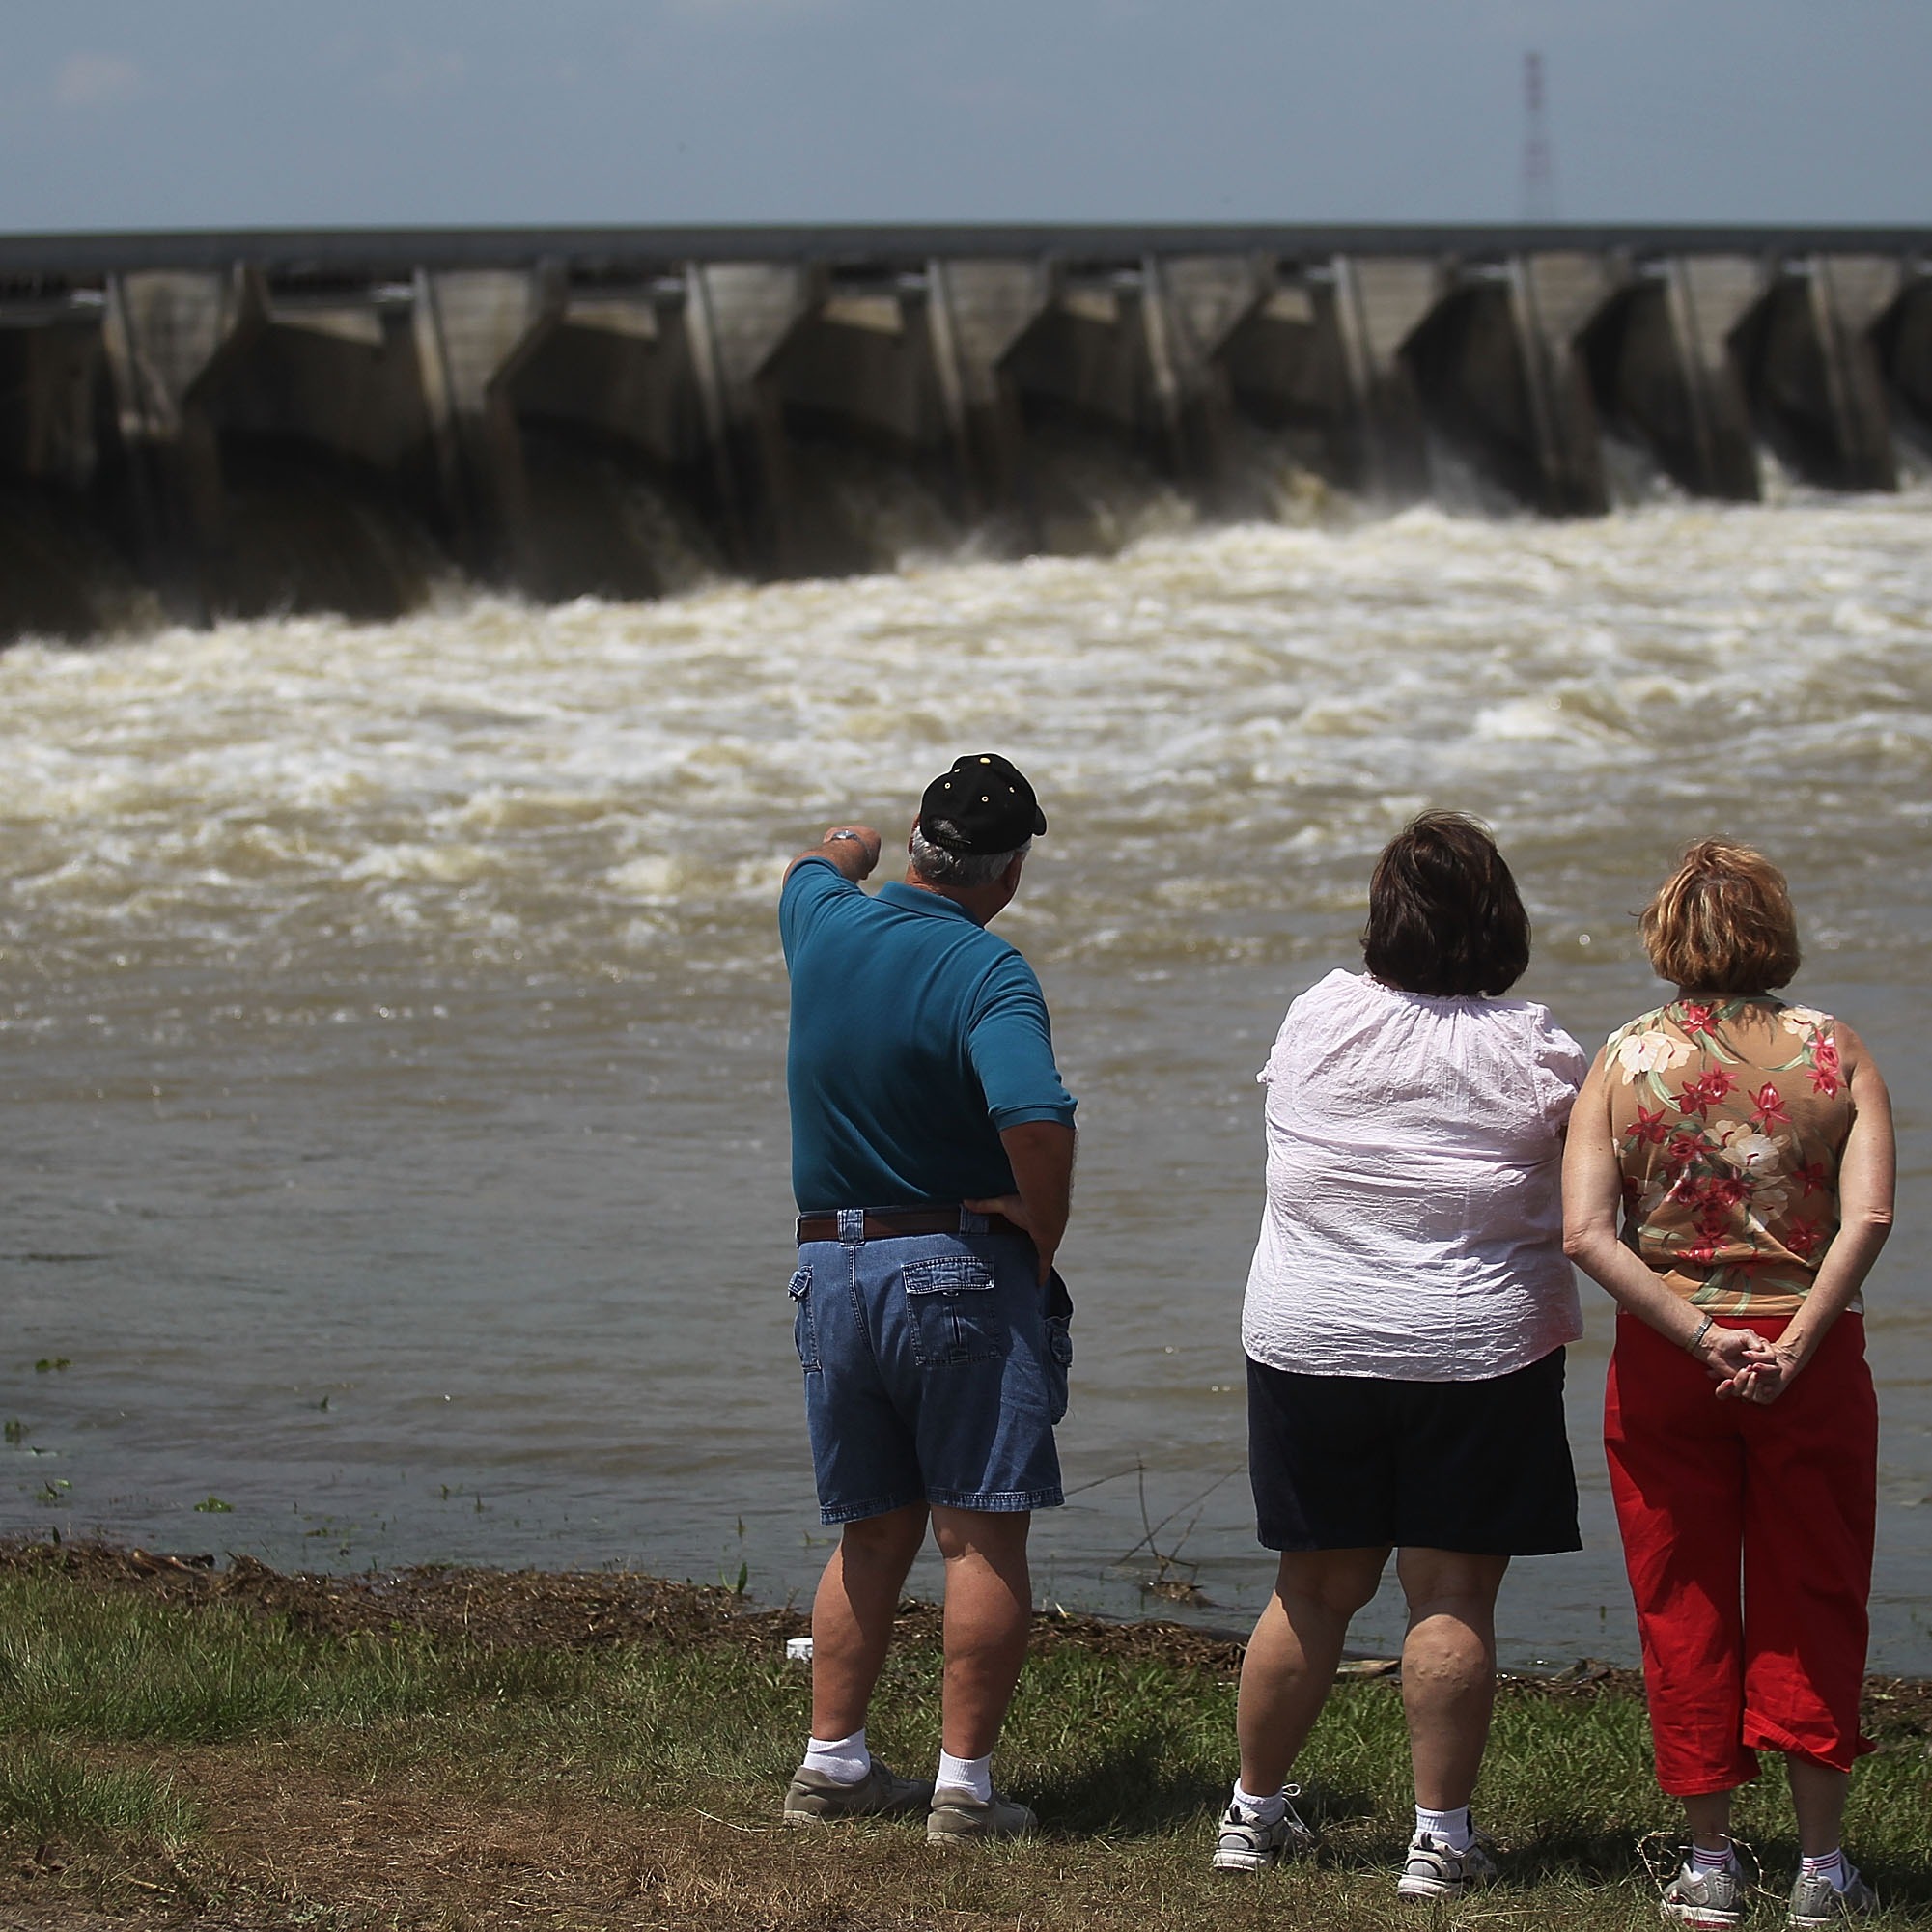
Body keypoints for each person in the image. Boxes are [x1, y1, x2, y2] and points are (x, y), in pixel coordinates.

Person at [1217, 810, 1586, 1902]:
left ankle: (1251, 1815)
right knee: (1452, 1597)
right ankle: (1438, 1840)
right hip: (1473, 1347)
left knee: (1313, 1587)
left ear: (1385, 917)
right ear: (1500, 922)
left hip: (1311, 1335)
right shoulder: (1535, 1047)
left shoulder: (1319, 1014)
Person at [1562, 840, 1894, 1930]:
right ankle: (1820, 1868)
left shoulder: (1622, 1057)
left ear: (1667, 937)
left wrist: (1701, 1336)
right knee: (1815, 1594)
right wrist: (1791, 1342)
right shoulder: (1836, 1049)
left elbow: (1586, 1233)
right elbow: (1871, 1216)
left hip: (1671, 1360)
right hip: (1810, 1357)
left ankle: (1709, 1867)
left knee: (1683, 1593)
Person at [775, 753, 1078, 1845]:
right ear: (1011, 873)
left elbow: (816, 859)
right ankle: (965, 1790)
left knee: (869, 1533)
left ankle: (833, 1764)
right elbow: (1036, 1118)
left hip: (830, 1266)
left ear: (918, 839)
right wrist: (1038, 1235)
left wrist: (850, 846)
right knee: (981, 1537)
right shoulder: (987, 971)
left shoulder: (820, 923)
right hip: (947, 1264)